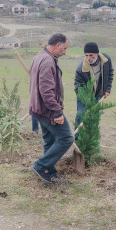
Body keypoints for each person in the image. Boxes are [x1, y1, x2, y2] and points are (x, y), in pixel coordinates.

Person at [29, 33, 74, 184]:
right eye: (64, 48)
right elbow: (46, 90)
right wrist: (57, 111)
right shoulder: (48, 61)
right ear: (57, 45)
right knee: (66, 137)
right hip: (48, 110)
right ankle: (40, 166)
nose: (65, 52)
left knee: (49, 140)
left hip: (38, 109)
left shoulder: (40, 56)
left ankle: (50, 171)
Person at [74, 42, 114, 132]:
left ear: (97, 53)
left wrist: (108, 89)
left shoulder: (106, 60)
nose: (88, 58)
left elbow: (110, 74)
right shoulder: (81, 68)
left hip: (98, 94)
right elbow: (77, 86)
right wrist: (86, 100)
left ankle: (92, 141)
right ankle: (76, 140)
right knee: (81, 115)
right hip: (83, 96)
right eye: (86, 55)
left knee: (95, 118)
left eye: (91, 55)